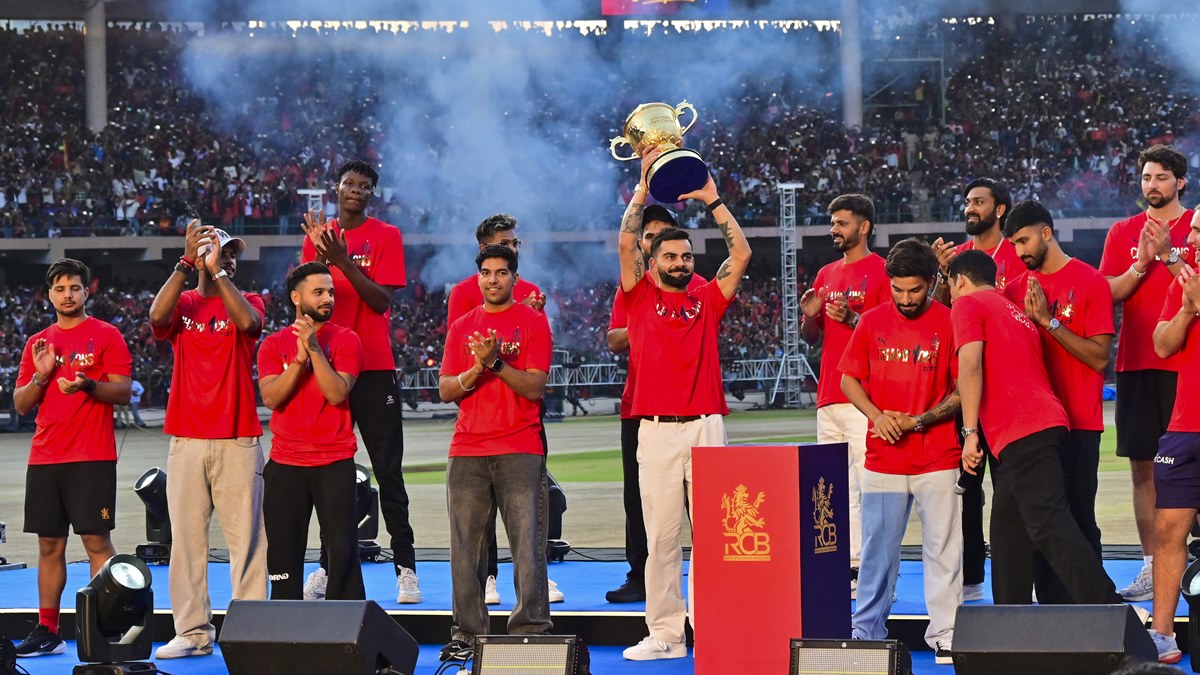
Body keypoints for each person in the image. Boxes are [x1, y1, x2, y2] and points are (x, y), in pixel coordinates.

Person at [619, 149, 751, 661]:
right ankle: (667, 635)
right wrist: (641, 188)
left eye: (686, 257)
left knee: (717, 538)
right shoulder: (637, 296)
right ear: (651, 263)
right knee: (662, 540)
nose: (680, 263)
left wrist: (714, 199)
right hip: (655, 430)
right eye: (670, 257)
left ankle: (714, 627)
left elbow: (740, 254)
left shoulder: (707, 297)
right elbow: (627, 239)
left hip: (706, 426)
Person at [949, 250, 1124, 606]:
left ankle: (1111, 609)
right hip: (1045, 422)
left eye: (950, 288)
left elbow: (970, 367)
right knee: (1008, 534)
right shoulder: (1014, 311)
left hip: (1021, 430)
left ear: (960, 281)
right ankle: (1008, 619)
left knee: (1050, 524)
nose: (951, 296)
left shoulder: (967, 304)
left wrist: (969, 433)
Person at [301, 160, 420, 604]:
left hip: (373, 368)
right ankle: (327, 566)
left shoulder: (386, 235)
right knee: (332, 473)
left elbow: (380, 301)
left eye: (364, 185)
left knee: (388, 471)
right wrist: (322, 257)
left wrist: (341, 261)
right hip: (330, 369)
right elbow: (307, 300)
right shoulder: (316, 236)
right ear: (337, 188)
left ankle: (405, 567)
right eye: (349, 183)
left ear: (371, 194)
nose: (356, 189)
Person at [839, 238, 962, 665]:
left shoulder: (950, 320)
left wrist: (920, 421)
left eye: (915, 290)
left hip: (938, 456)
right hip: (884, 458)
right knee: (876, 553)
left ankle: (946, 633)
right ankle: (866, 632)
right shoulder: (871, 321)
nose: (906, 299)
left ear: (931, 282)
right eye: (898, 289)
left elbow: (963, 390)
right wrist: (876, 415)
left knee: (943, 550)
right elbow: (848, 379)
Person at [149, 222, 268, 659]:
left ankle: (252, 633)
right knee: (186, 542)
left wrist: (216, 271)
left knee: (248, 543)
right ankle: (193, 633)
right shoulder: (183, 304)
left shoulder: (249, 300)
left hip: (238, 438)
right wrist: (186, 262)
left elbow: (249, 323)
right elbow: (156, 318)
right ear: (199, 256)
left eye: (232, 254)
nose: (229, 259)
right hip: (187, 437)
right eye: (221, 251)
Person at [437, 244, 553, 663]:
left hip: (520, 447)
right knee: (465, 550)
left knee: (527, 547)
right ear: (478, 277)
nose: (493, 279)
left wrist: (497, 363)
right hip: (467, 449)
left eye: (501, 272)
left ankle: (531, 633)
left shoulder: (534, 322)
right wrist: (477, 367)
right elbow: (445, 390)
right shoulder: (461, 326)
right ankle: (467, 636)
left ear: (514, 278)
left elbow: (535, 388)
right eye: (486, 272)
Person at [12, 258, 131, 658]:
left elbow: (123, 391)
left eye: (74, 288)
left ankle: (106, 627)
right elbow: (21, 403)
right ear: (49, 295)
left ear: (86, 291)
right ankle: (48, 630)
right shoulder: (38, 343)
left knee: (96, 540)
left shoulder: (107, 335)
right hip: (45, 456)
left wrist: (87, 385)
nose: (68, 295)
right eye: (60, 289)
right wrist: (41, 376)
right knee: (49, 544)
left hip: (92, 456)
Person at [1002, 200, 1114, 602]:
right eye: (1014, 244)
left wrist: (1049, 322)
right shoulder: (1013, 290)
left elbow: (1099, 357)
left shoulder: (1090, 281)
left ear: (1046, 233)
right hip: (1031, 426)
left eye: (1024, 241)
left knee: (1079, 517)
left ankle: (1098, 615)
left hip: (1079, 421)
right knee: (1037, 525)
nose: (1019, 252)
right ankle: (1051, 612)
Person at [1099, 145, 1194, 603]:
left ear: (1180, 182)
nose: (1151, 185)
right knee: (1143, 468)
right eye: (1146, 177)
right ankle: (1151, 565)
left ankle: (1191, 562)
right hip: (1136, 362)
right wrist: (1142, 262)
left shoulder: (1196, 226)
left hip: (1186, 366)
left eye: (1160, 177)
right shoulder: (1123, 232)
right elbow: (1107, 293)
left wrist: (1170, 253)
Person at [605, 204, 705, 605]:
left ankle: (708, 587)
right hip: (640, 405)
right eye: (649, 236)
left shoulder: (696, 285)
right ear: (645, 245)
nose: (653, 241)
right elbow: (614, 339)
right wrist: (645, 319)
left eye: (662, 234)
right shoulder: (633, 288)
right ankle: (639, 574)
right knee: (639, 498)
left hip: (692, 406)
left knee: (702, 506)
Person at [932, 177, 1022, 601]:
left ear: (999, 209)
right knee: (966, 491)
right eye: (967, 201)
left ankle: (1017, 583)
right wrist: (940, 274)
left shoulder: (1017, 255)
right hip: (964, 393)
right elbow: (938, 313)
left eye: (979, 202)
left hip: (1006, 393)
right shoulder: (958, 260)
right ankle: (970, 581)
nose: (970, 208)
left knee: (1011, 491)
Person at [257, 262, 364, 601]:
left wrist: (315, 350)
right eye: (318, 292)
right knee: (282, 557)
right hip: (285, 464)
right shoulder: (272, 344)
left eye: (330, 292)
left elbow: (336, 393)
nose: (327, 298)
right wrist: (298, 359)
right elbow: (272, 398)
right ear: (296, 297)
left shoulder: (347, 339)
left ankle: (345, 626)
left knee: (343, 553)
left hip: (335, 461)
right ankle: (285, 625)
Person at [800, 193, 890, 594]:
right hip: (828, 395)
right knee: (833, 489)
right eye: (833, 222)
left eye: (841, 223)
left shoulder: (883, 271)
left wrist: (854, 318)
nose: (833, 229)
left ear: (864, 227)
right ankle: (846, 566)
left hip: (863, 396)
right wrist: (809, 317)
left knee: (869, 486)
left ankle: (873, 571)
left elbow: (889, 333)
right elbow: (811, 336)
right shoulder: (825, 274)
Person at [1144, 208, 1200, 664]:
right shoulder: (1183, 284)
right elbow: (1162, 345)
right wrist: (1187, 308)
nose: (1192, 237)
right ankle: (1162, 634)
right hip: (1184, 426)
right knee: (1167, 529)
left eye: (1199, 230)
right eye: (1193, 229)